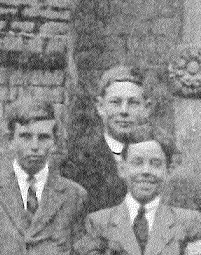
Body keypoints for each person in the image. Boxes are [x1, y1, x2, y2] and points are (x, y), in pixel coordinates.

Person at [0, 98, 88, 255]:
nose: (34, 146)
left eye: (43, 137)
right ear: (10, 140)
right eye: (25, 137)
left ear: (54, 143)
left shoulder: (74, 195)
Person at [84, 134, 201, 255]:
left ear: (168, 170)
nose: (146, 171)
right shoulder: (99, 223)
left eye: (155, 164)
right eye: (137, 163)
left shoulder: (188, 222)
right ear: (122, 168)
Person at [62, 63, 159, 215]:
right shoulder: (78, 162)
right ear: (100, 107)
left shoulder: (160, 158)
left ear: (146, 109)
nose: (124, 111)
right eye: (115, 102)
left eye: (133, 103)